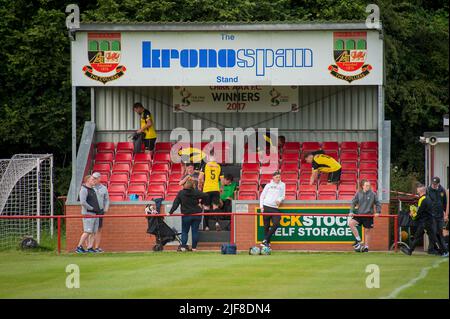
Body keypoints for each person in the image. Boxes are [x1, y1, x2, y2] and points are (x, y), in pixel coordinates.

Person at [401, 185, 448, 256]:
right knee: (431, 237)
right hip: (429, 221)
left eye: (417, 190)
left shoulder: (422, 199)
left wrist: (413, 215)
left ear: (420, 191)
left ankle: (443, 252)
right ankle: (442, 252)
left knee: (428, 237)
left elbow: (419, 212)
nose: (417, 191)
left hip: (425, 222)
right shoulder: (427, 198)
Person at [168, 180, 208, 251]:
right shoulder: (196, 192)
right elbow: (206, 195)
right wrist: (201, 203)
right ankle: (194, 248)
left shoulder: (181, 193)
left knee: (185, 231)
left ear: (185, 185)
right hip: (196, 214)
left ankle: (183, 247)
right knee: (195, 231)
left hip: (186, 215)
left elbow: (175, 203)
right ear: (193, 186)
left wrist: (170, 212)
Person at [348, 179, 381, 253]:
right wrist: (351, 211)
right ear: (362, 186)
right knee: (351, 223)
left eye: (369, 185)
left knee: (367, 231)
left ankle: (366, 247)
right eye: (366, 185)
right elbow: (353, 203)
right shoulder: (358, 193)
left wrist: (378, 212)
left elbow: (378, 203)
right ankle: (358, 240)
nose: (368, 187)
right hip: (360, 214)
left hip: (368, 215)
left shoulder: (373, 194)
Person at [259, 171, 286, 247]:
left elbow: (283, 195)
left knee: (276, 223)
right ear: (273, 178)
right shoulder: (268, 185)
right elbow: (262, 196)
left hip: (275, 208)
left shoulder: (283, 185)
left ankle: (265, 240)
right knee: (266, 227)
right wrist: (261, 207)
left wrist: (279, 199)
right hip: (266, 206)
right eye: (276, 177)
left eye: (279, 177)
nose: (278, 179)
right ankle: (267, 244)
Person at [76, 175, 101, 253]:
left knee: (93, 231)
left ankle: (90, 247)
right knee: (87, 231)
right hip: (88, 213)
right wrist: (91, 208)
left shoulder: (92, 189)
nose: (94, 181)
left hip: (95, 213)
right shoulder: (83, 190)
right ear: (87, 180)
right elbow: (83, 202)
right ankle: (79, 247)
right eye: (92, 179)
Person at [198, 153, 223, 231]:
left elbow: (200, 178)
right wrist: (221, 188)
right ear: (215, 157)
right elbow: (222, 180)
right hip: (216, 189)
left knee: (206, 207)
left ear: (208, 157)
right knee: (216, 206)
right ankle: (217, 223)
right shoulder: (218, 166)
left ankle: (207, 226)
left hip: (207, 189)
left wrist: (200, 186)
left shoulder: (205, 165)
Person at [426, 176, 447, 255]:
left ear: (438, 183)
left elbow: (445, 203)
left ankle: (441, 250)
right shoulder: (428, 190)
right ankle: (431, 249)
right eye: (433, 184)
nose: (434, 185)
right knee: (433, 232)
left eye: (435, 184)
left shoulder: (442, 190)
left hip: (440, 216)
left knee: (440, 233)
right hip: (432, 216)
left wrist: (446, 214)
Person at [90, 172, 110, 253]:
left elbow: (107, 199)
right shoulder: (89, 187)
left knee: (99, 229)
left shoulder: (104, 188)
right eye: (93, 178)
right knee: (90, 229)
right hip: (91, 211)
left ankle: (97, 247)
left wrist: (106, 208)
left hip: (100, 211)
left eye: (95, 178)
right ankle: (89, 247)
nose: (93, 180)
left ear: (99, 179)